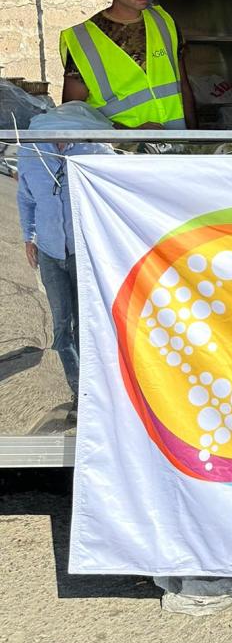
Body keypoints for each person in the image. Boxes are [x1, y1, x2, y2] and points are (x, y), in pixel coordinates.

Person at [16, 103, 115, 415]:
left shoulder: (96, 151)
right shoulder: (31, 153)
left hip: (83, 252)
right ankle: (79, 392)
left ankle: (97, 392)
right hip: (50, 251)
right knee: (62, 328)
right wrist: (29, 236)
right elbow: (26, 197)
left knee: (87, 325)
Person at [60, 0, 196, 129]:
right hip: (121, 147)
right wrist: (129, 133)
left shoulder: (164, 21)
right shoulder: (83, 40)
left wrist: (196, 138)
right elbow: (73, 115)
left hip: (177, 143)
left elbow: (183, 86)